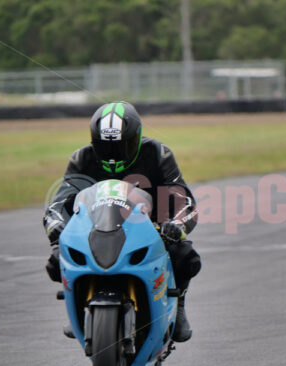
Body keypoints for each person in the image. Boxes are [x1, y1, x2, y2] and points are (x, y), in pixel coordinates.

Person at [43, 101, 201, 342]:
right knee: (56, 260)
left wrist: (176, 225)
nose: (113, 154)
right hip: (95, 229)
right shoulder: (81, 158)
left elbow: (184, 199)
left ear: (136, 138)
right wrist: (56, 227)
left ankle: (178, 304)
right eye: (105, 147)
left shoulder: (158, 153)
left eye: (121, 146)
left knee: (185, 256)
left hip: (151, 228)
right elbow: (58, 203)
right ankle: (77, 305)